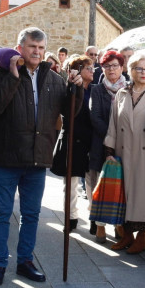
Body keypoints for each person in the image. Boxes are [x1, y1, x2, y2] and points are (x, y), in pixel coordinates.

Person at [0, 28, 83, 287]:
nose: (36, 52)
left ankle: (25, 260)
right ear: (20, 48)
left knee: (31, 214)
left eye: (40, 47)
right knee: (1, 214)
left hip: (38, 158)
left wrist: (76, 90)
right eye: (31, 47)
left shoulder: (54, 78)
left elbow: (70, 113)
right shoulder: (0, 74)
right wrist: (13, 78)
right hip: (6, 157)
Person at [104, 53, 145, 255]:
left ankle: (142, 238)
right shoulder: (121, 94)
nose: (144, 72)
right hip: (123, 152)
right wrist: (109, 149)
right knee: (125, 196)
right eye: (139, 68)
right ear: (131, 71)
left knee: (144, 197)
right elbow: (113, 123)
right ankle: (126, 236)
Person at [51, 55, 94, 233]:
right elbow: (68, 114)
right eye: (88, 68)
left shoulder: (95, 90)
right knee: (71, 184)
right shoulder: (69, 89)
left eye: (92, 67)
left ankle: (95, 218)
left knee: (92, 182)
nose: (92, 71)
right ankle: (71, 217)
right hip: (74, 141)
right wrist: (73, 87)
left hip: (91, 141)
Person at [88, 50, 127, 242]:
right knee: (100, 185)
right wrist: (112, 137)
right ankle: (100, 226)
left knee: (121, 186)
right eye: (107, 66)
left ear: (122, 67)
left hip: (125, 145)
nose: (111, 69)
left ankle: (119, 223)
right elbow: (94, 117)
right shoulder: (97, 89)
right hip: (101, 144)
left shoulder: (129, 88)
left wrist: (121, 138)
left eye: (115, 65)